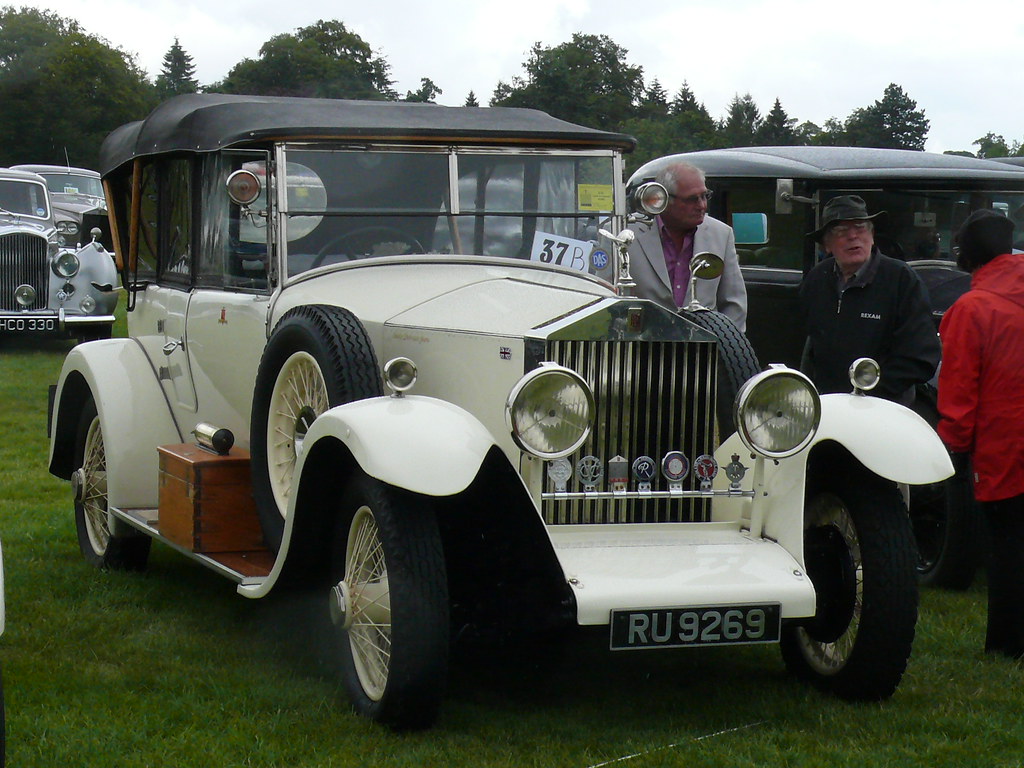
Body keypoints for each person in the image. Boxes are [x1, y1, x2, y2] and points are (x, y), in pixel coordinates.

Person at [936, 209, 1024, 659]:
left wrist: (951, 444)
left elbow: (959, 389)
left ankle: (1007, 644)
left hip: (1005, 444)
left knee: (1008, 545)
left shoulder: (971, 310)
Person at [799, 195, 940, 404]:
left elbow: (921, 356)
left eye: (860, 227)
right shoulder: (816, 280)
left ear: (872, 235)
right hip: (828, 405)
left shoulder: (901, 279)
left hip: (885, 407)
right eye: (841, 231)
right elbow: (807, 347)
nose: (853, 236)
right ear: (826, 244)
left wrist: (869, 390)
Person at [627, 162, 747, 330]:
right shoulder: (624, 234)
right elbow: (603, 296)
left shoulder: (721, 234)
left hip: (701, 352)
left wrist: (726, 346)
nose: (702, 206)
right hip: (639, 349)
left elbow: (734, 305)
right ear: (664, 199)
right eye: (692, 199)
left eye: (705, 196)